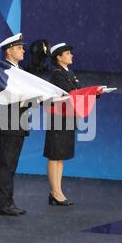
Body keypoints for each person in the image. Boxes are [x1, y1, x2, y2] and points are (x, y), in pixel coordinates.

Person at [0, 33, 30, 216]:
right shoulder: (5, 71)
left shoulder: (19, 71)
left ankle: (7, 201)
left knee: (10, 165)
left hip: (18, 122)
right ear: (9, 51)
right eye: (19, 47)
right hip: (9, 122)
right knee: (6, 165)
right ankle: (2, 204)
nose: (23, 50)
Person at [44, 43, 80, 206]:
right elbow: (70, 92)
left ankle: (57, 191)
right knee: (55, 155)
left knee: (60, 156)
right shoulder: (57, 74)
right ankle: (55, 192)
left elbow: (77, 91)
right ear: (58, 57)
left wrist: (94, 93)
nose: (71, 55)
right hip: (58, 118)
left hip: (67, 117)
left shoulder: (69, 73)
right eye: (67, 53)